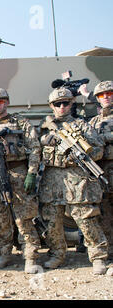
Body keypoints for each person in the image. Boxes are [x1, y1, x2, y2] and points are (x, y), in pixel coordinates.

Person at [39, 87, 109, 275]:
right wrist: (47, 141)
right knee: (52, 221)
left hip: (77, 179)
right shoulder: (44, 126)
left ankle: (98, 257)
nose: (62, 107)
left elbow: (98, 150)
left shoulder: (83, 126)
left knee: (86, 219)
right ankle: (57, 255)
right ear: (51, 106)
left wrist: (76, 154)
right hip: (52, 180)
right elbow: (33, 150)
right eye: (57, 104)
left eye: (66, 103)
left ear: (71, 104)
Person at [0, 88, 42, 274]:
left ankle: (30, 256)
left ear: (7, 102)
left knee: (24, 218)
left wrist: (31, 173)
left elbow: (35, 148)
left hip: (19, 173)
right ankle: (4, 254)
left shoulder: (21, 122)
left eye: (1, 101)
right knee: (1, 217)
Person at [88, 81, 113, 261]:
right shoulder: (93, 122)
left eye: (109, 93)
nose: (106, 97)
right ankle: (109, 250)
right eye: (102, 95)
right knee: (103, 212)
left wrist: (102, 138)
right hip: (101, 171)